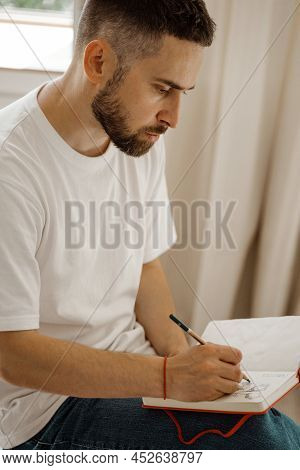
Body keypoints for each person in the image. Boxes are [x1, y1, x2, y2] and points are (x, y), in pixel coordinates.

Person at [0, 0, 299, 450]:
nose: (173, 118)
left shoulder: (135, 138)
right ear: (98, 61)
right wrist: (167, 378)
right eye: (163, 88)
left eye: (184, 92)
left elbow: (145, 268)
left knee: (276, 430)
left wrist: (189, 363)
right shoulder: (12, 168)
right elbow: (12, 352)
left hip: (133, 369)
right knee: (263, 445)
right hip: (45, 411)